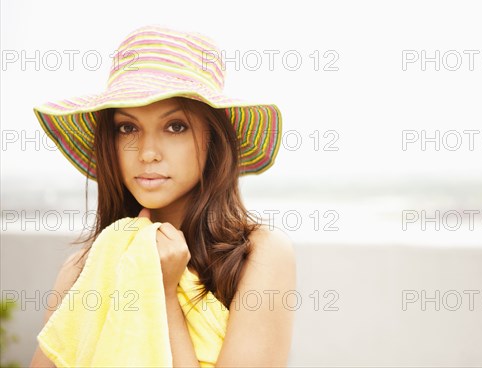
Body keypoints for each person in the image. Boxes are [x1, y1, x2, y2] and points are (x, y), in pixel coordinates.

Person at [29, 25, 295, 367]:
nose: (148, 152)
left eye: (175, 127)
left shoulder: (258, 255)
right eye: (127, 127)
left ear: (213, 138)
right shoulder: (86, 266)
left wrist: (165, 294)